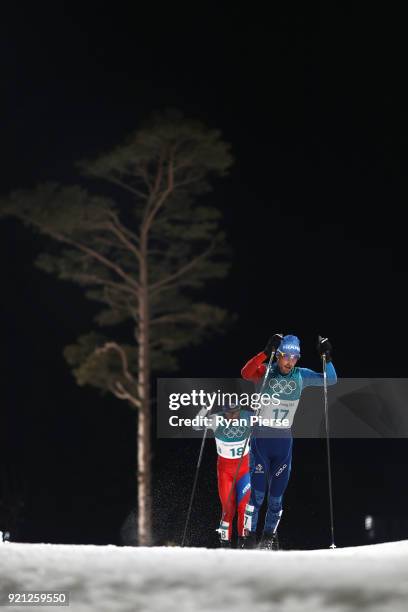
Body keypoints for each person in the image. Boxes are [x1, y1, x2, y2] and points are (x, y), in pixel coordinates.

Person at [241, 333, 337, 550]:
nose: (290, 361)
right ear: (279, 355)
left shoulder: (301, 375)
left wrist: (327, 357)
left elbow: (330, 380)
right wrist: (265, 352)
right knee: (257, 496)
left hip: (283, 442)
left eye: (295, 357)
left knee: (276, 498)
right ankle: (248, 540)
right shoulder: (265, 372)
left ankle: (267, 539)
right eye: (286, 356)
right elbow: (246, 372)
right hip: (261, 440)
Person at [194, 403, 252, 548]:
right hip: (225, 471)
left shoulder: (249, 417)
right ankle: (225, 545)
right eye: (229, 413)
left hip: (244, 469)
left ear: (240, 410)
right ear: (223, 412)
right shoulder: (216, 419)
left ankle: (244, 543)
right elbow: (196, 425)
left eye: (235, 413)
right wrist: (205, 408)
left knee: (244, 508)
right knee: (228, 509)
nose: (232, 417)